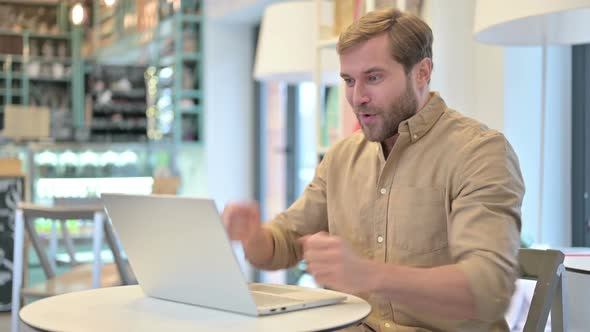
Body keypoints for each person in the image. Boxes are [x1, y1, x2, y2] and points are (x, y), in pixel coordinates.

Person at [223, 7, 524, 332]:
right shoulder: (342, 157)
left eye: (374, 78)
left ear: (422, 72)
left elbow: (488, 288)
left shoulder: (479, 152)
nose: (357, 97)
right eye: (349, 80)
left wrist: (368, 274)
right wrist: (252, 236)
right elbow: (283, 244)